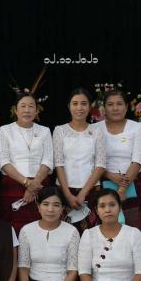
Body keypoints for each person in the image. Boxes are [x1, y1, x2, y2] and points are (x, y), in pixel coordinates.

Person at [18, 186, 82, 281]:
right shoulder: (26, 230)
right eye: (45, 204)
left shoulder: (71, 232)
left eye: (56, 205)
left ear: (62, 208)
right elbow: (23, 268)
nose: (50, 209)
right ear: (38, 207)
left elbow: (73, 270)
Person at [0, 94, 53, 234]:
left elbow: (47, 160)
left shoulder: (45, 131)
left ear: (37, 110)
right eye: (23, 106)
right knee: (12, 230)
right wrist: (28, 184)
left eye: (31, 106)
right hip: (13, 185)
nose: (27, 110)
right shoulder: (5, 130)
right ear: (15, 110)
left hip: (40, 186)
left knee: (39, 229)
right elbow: (3, 161)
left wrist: (34, 185)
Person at [52, 87, 105, 233]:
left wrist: (83, 193)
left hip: (91, 190)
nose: (79, 108)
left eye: (84, 103)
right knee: (64, 235)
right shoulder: (60, 131)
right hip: (65, 190)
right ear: (69, 106)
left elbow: (100, 165)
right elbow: (59, 164)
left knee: (91, 234)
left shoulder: (97, 131)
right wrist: (67, 194)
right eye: (75, 103)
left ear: (90, 106)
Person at [95, 89, 141, 229]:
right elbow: (91, 160)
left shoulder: (137, 128)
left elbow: (137, 161)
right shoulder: (95, 129)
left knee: (132, 226)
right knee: (104, 227)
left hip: (132, 182)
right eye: (110, 104)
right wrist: (110, 175)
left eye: (119, 104)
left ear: (126, 106)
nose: (115, 108)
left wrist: (121, 190)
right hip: (102, 181)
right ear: (104, 108)